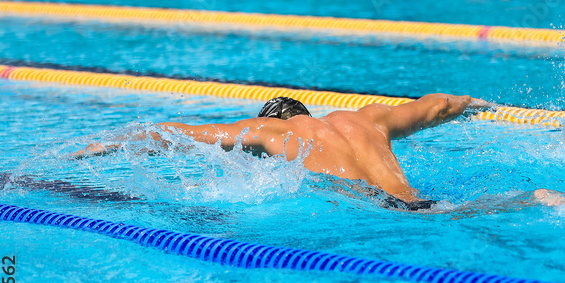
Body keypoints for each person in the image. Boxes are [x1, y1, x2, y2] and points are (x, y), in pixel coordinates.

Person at [76, 94, 484, 211]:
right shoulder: (366, 118)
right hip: (419, 203)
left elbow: (179, 134)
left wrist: (110, 143)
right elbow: (435, 107)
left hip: (376, 212)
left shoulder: (270, 132)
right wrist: (472, 104)